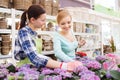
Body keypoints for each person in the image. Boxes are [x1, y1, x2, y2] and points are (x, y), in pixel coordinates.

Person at [14, 5, 82, 71]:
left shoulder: (34, 33)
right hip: (24, 70)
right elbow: (34, 57)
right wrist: (63, 65)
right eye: (42, 20)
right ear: (32, 20)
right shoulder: (24, 33)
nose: (44, 23)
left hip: (34, 69)